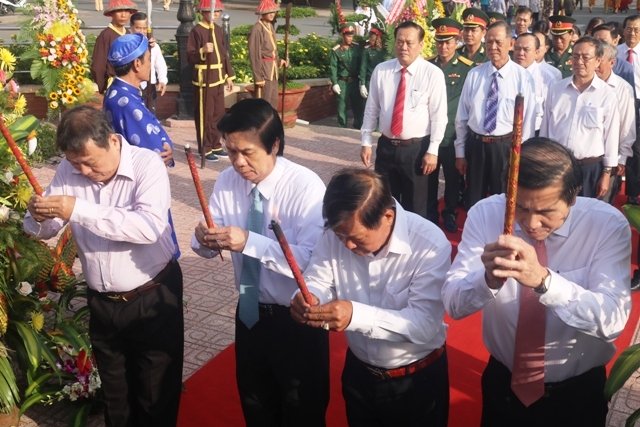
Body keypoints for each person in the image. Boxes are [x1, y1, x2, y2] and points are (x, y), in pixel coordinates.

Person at [442, 137, 631, 426]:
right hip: (504, 385)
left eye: (545, 212)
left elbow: (613, 319)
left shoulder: (605, 225)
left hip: (576, 395)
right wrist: (487, 280)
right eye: (519, 207)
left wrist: (545, 281)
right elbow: (454, 304)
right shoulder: (486, 214)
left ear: (572, 197)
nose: (531, 224)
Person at [24, 106, 184, 427]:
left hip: (151, 297)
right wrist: (37, 216)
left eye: (90, 162)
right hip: (103, 303)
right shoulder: (69, 169)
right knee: (115, 397)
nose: (83, 171)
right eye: (75, 164)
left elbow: (148, 228)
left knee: (155, 396)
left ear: (112, 140)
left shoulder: (146, 164)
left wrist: (78, 209)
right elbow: (44, 228)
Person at [191, 98, 329, 426]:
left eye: (247, 152)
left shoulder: (305, 187)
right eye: (230, 151)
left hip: (296, 319)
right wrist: (204, 238)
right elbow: (206, 243)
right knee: (256, 406)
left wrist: (249, 242)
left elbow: (311, 260)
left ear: (274, 145)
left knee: (302, 411)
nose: (238, 162)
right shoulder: (227, 181)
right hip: (249, 314)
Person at [290, 168, 451, 427]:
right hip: (360, 375)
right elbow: (319, 277)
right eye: (341, 236)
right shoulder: (338, 231)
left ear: (387, 216)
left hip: (415, 381)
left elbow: (423, 325)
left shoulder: (429, 244)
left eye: (356, 238)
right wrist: (310, 296)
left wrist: (355, 315)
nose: (347, 246)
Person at [360, 20, 448, 219]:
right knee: (384, 205)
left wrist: (433, 150)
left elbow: (439, 116)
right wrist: (366, 141)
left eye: (409, 42)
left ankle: (414, 239)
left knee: (416, 208)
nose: (403, 47)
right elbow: (371, 108)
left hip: (416, 151)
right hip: (386, 147)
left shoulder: (432, 74)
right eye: (400, 42)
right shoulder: (382, 71)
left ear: (421, 45)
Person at [455, 20, 536, 210]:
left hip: (505, 148)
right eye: (489, 42)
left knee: (503, 201)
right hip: (476, 146)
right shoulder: (474, 74)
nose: (493, 47)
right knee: (474, 201)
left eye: (498, 42)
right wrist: (460, 152)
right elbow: (462, 117)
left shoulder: (522, 77)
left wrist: (521, 157)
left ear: (511, 43)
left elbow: (528, 121)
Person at [540, 36, 620, 199]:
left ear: (598, 61)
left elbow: (611, 136)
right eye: (575, 56)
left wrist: (607, 173)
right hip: (559, 166)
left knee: (586, 211)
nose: (579, 62)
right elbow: (545, 129)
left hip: (590, 168)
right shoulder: (556, 89)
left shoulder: (607, 95)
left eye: (585, 57)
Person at [428, 18, 473, 232]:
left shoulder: (467, 69)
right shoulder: (428, 66)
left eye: (448, 42)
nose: (443, 46)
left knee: (453, 179)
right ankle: (429, 212)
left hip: (453, 134)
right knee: (428, 178)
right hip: (429, 134)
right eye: (440, 41)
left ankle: (450, 212)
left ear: (457, 42)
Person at [187, 0, 235, 163]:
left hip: (218, 78)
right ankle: (205, 147)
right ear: (203, 12)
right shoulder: (197, 31)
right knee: (205, 115)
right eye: (212, 12)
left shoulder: (218, 30)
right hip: (204, 80)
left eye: (218, 12)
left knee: (218, 114)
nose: (215, 15)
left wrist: (229, 75)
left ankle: (216, 144)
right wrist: (202, 50)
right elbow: (190, 56)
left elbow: (224, 54)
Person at [595, 41, 636, 204]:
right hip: (586, 157)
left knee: (602, 204)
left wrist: (621, 158)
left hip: (610, 157)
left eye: (600, 61)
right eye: (594, 59)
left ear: (612, 62)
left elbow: (627, 127)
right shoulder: (584, 84)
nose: (596, 65)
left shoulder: (623, 89)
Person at [513, 33, 561, 134]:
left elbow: (552, 113)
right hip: (507, 133)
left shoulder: (549, 77)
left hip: (535, 133)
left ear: (536, 52)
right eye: (517, 49)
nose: (521, 53)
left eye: (526, 50)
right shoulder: (506, 72)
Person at [90, 0, 138, 95]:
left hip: (130, 83)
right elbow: (98, 65)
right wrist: (103, 87)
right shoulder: (106, 35)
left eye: (126, 11)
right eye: (119, 11)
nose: (123, 15)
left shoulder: (128, 33)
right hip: (114, 84)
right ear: (112, 13)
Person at [249, 0, 287, 109]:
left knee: (273, 101)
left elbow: (273, 50)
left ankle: (272, 119)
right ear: (263, 13)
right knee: (264, 103)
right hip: (264, 71)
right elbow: (254, 54)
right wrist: (258, 77)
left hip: (273, 70)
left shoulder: (270, 26)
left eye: (273, 12)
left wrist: (279, 61)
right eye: (269, 12)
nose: (272, 14)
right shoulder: (257, 28)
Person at [129, 12, 168, 115]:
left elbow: (160, 63)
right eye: (138, 28)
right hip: (133, 86)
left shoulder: (153, 46)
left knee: (150, 113)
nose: (142, 31)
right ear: (131, 27)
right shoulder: (128, 46)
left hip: (149, 86)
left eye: (144, 28)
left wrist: (162, 80)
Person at [330, 23, 365, 129]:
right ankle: (342, 126)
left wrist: (362, 82)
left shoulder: (357, 48)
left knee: (357, 105)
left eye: (351, 36)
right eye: (348, 36)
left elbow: (362, 65)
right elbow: (333, 67)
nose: (350, 38)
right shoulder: (336, 50)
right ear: (343, 35)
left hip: (354, 81)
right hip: (342, 81)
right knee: (342, 105)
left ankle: (359, 125)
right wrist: (334, 83)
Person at [358, 24, 388, 100]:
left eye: (373, 36)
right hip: (370, 80)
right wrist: (362, 84)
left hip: (382, 81)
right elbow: (363, 68)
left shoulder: (385, 51)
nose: (371, 38)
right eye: (370, 36)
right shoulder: (367, 50)